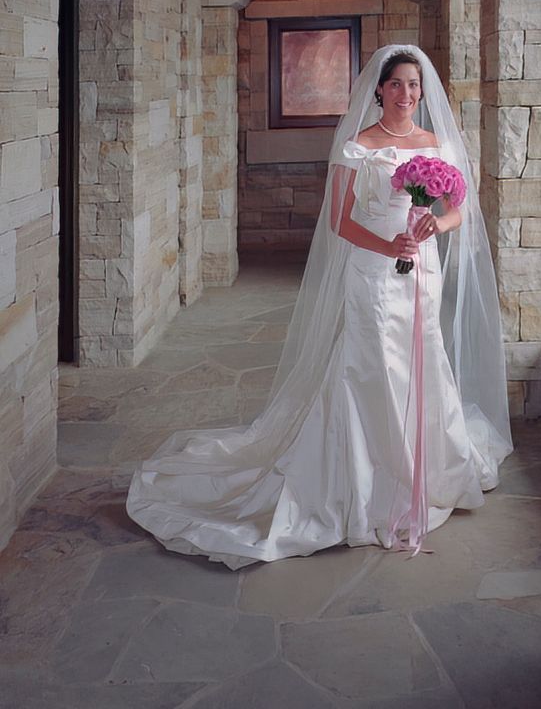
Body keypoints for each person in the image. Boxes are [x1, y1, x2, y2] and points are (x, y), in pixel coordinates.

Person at [127, 45, 512, 569]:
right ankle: (364, 481)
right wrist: (388, 247)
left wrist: (433, 227)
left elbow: (457, 210)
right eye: (397, 84)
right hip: (373, 273)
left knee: (423, 357)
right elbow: (340, 221)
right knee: (371, 363)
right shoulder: (356, 145)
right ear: (378, 89)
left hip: (421, 271)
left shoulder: (434, 142)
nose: (407, 94)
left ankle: (425, 470)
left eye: (415, 85)